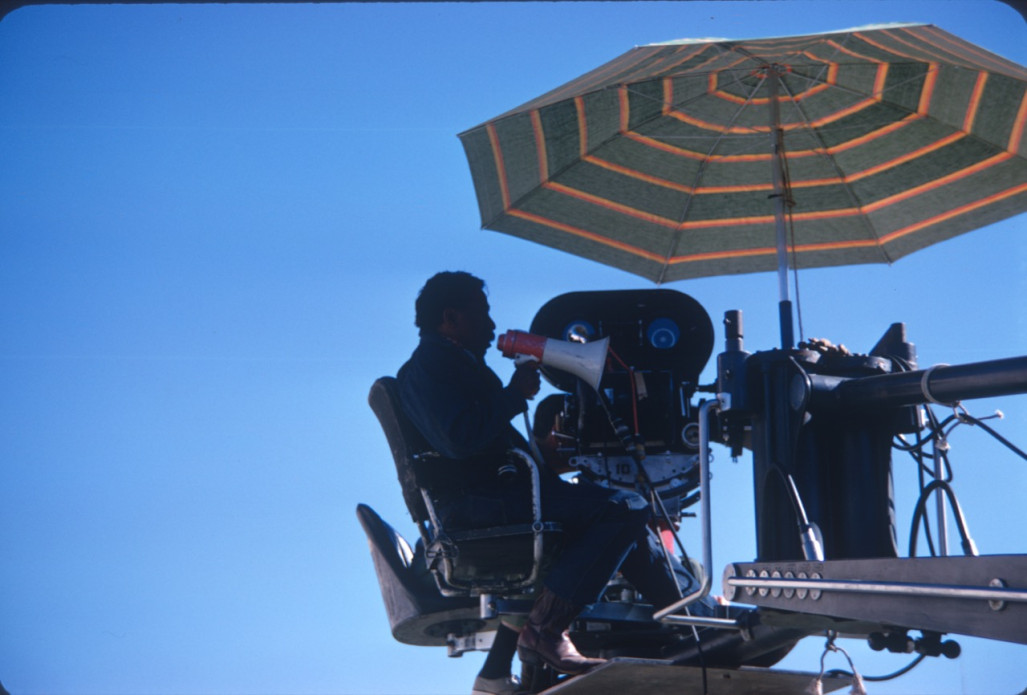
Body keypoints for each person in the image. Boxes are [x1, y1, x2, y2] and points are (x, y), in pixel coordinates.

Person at [396, 271, 703, 693]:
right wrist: (513, 394)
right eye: (481, 314)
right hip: (480, 505)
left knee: (625, 515)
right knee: (625, 508)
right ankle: (545, 630)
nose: (490, 326)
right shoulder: (428, 367)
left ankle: (685, 620)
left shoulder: (449, 364)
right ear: (450, 318)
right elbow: (458, 438)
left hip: (493, 498)